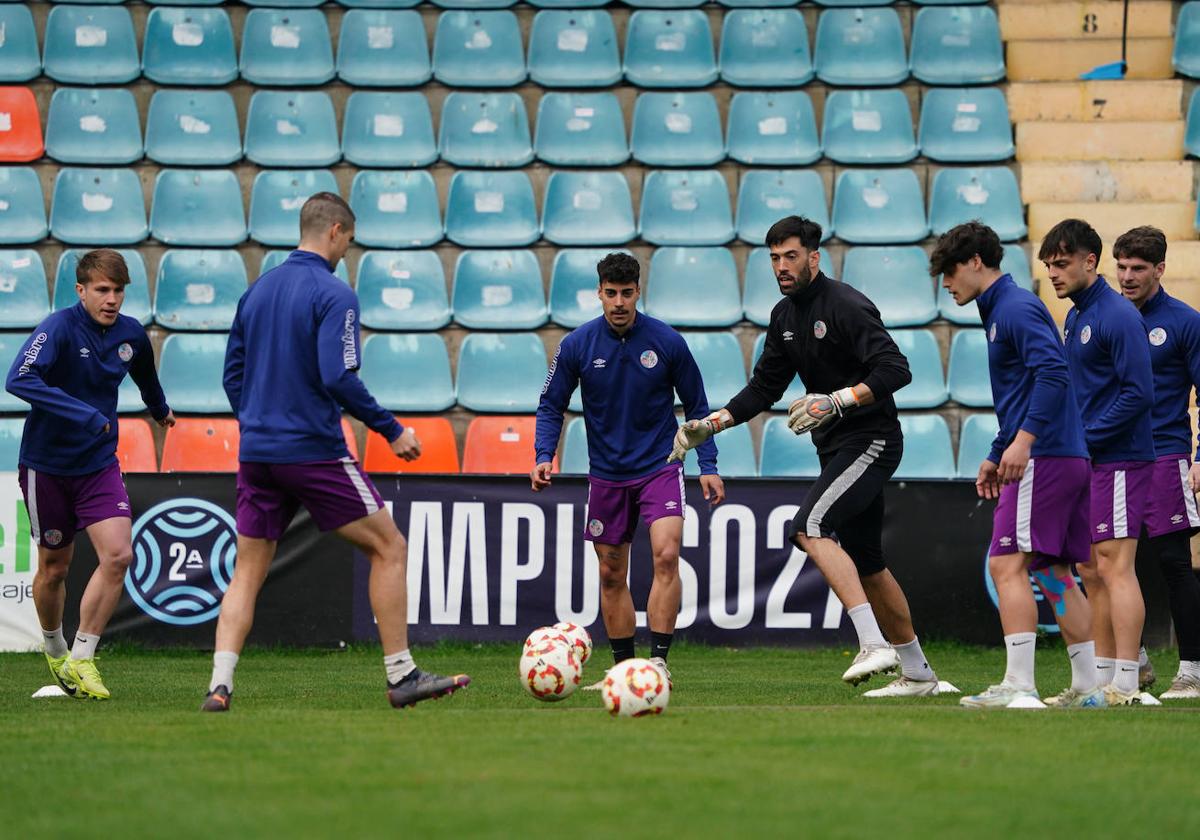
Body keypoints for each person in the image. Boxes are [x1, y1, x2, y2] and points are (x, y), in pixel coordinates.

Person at [202, 192, 469, 711]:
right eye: (348, 239)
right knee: (389, 547)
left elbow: (232, 375)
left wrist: (259, 420)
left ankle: (220, 684)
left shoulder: (256, 292)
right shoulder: (335, 294)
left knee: (247, 569)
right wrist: (390, 429)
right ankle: (402, 674)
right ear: (335, 232)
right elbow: (335, 375)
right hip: (312, 450)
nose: (347, 249)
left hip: (257, 451)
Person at [669, 216, 942, 697]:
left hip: (871, 439)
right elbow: (763, 388)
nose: (781, 266)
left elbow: (897, 369)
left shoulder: (846, 305)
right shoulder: (784, 316)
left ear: (814, 257)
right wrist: (709, 425)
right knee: (869, 563)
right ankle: (919, 674)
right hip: (837, 446)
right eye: (773, 258)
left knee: (808, 526)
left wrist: (838, 400)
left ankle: (872, 643)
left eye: (790, 256)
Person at [532, 252, 725, 685]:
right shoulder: (577, 345)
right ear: (599, 293)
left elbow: (698, 408)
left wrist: (707, 464)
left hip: (661, 465)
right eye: (611, 293)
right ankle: (623, 670)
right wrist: (544, 454)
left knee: (667, 554)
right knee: (610, 572)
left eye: (627, 293)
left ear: (639, 291)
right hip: (607, 474)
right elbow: (551, 405)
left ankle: (657, 662)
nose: (619, 302)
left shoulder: (668, 342)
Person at [932, 223, 1101, 708]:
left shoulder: (1014, 307)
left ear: (976, 263)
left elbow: (1053, 373)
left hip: (1046, 456)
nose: (945, 283)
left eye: (949, 271)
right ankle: (1089, 689)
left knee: (1005, 563)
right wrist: (995, 450)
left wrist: (1023, 442)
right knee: (1053, 571)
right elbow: (1024, 391)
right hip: (1064, 453)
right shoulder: (1005, 308)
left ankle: (1019, 685)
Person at [5, 249, 175, 700]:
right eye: (102, 290)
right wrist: (81, 413)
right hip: (47, 466)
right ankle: (55, 647)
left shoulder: (131, 335)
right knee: (54, 568)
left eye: (118, 290)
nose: (111, 299)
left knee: (119, 555)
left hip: (99, 463)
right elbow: (18, 378)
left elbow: (145, 375)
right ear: (81, 291)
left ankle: (82, 658)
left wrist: (159, 410)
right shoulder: (58, 328)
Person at [1044, 218, 1155, 706]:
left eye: (1062, 263)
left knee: (1116, 567)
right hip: (1092, 459)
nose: (1053, 272)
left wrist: (1085, 439)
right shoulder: (1077, 316)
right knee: (1090, 568)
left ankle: (1127, 682)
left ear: (1090, 262)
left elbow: (1139, 394)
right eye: (1048, 264)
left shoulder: (1117, 315)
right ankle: (1101, 679)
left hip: (1120, 460)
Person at [1114, 225, 1200, 700]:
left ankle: (1192, 670)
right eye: (1121, 267)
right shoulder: (1101, 318)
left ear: (1160, 269)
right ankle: (1136, 662)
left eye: (1138, 268)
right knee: (1106, 563)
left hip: (1165, 455)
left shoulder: (1186, 322)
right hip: (1109, 457)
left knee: (1171, 563)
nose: (1127, 277)